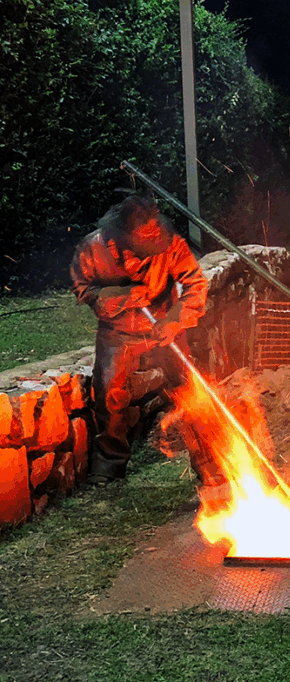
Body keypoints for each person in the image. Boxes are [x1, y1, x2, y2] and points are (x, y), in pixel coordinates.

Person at [70, 193, 210, 485]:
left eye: (156, 227)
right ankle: (108, 466)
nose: (155, 234)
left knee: (190, 389)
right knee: (108, 394)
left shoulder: (170, 243)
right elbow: (82, 289)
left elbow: (196, 284)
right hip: (118, 333)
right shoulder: (92, 249)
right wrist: (115, 296)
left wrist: (174, 319)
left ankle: (209, 463)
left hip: (165, 329)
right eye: (145, 233)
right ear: (121, 237)